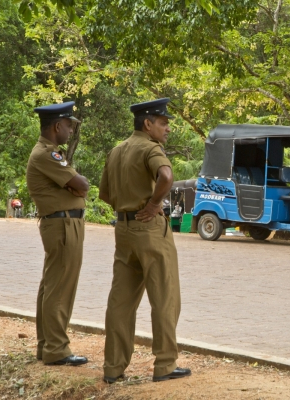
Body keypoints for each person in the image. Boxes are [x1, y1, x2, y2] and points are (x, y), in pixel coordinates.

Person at [99, 98, 190, 383]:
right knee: (164, 296)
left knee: (120, 301)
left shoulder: (116, 151)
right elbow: (166, 176)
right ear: (147, 124)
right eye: (163, 123)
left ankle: (113, 368)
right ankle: (164, 364)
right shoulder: (151, 149)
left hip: (123, 232)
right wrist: (152, 205)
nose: (167, 129)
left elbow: (103, 194)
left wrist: (127, 205)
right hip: (149, 229)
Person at [26, 101, 90, 366]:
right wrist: (75, 188)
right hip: (63, 225)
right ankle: (57, 349)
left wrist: (73, 189)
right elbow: (82, 185)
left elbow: (76, 187)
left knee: (52, 285)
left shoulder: (49, 152)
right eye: (68, 125)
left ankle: (47, 346)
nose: (70, 130)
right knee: (60, 287)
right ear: (56, 126)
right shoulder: (46, 154)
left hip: (61, 224)